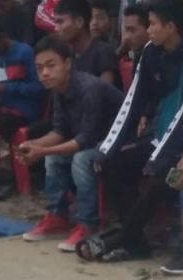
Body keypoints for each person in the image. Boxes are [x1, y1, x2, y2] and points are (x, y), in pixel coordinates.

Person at [77, 0, 183, 270]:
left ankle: (142, 241)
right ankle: (134, 241)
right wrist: (108, 149)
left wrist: (160, 158)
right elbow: (133, 102)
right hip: (160, 139)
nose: (148, 30)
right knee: (111, 166)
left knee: (164, 178)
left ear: (172, 27)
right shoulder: (151, 52)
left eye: (152, 24)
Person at [17, 35, 124, 251]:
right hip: (93, 141)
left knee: (80, 160)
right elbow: (60, 131)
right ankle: (58, 216)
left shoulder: (89, 88)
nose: (44, 73)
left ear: (67, 64)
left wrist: (42, 150)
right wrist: (33, 144)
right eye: (39, 68)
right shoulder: (59, 89)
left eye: (50, 65)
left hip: (121, 142)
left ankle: (88, 224)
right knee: (53, 158)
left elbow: (84, 140)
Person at [0, 16, 44, 201]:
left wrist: (6, 88)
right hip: (3, 108)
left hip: (24, 111)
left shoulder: (25, 53)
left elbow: (39, 87)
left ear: (2, 36)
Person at [54, 0, 118, 85]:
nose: (56, 28)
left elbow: (104, 94)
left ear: (79, 22)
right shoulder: (68, 55)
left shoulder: (103, 53)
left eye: (60, 22)